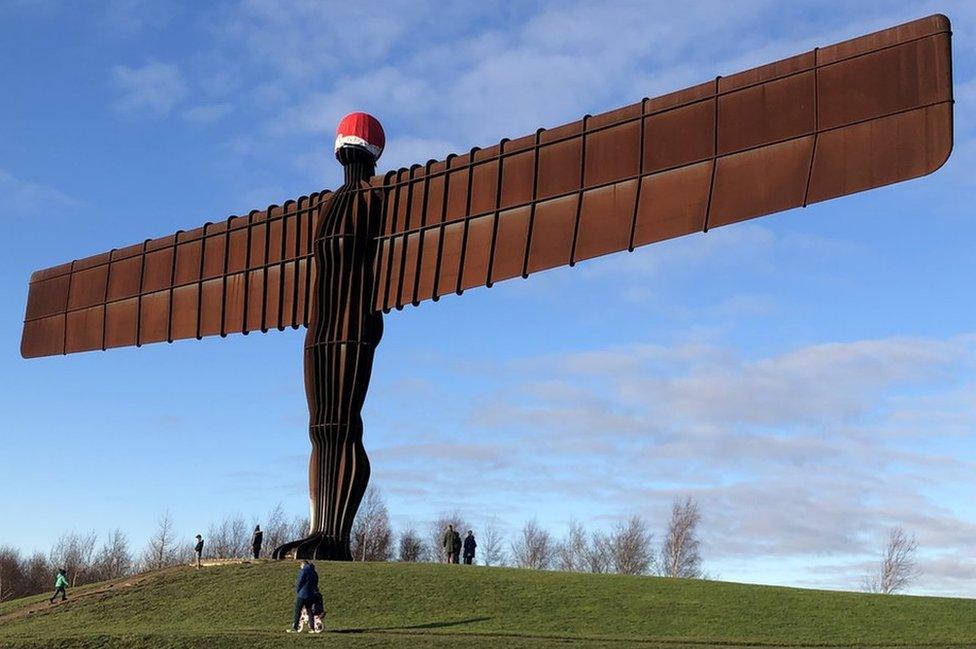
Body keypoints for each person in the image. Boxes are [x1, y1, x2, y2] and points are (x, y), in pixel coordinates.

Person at [287, 560, 320, 634]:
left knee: (298, 610)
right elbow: (316, 583)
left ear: (303, 564)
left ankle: (295, 628)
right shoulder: (314, 572)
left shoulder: (303, 571)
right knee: (310, 611)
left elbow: (300, 581)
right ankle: (312, 628)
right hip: (311, 594)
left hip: (302, 594)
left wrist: (298, 590)